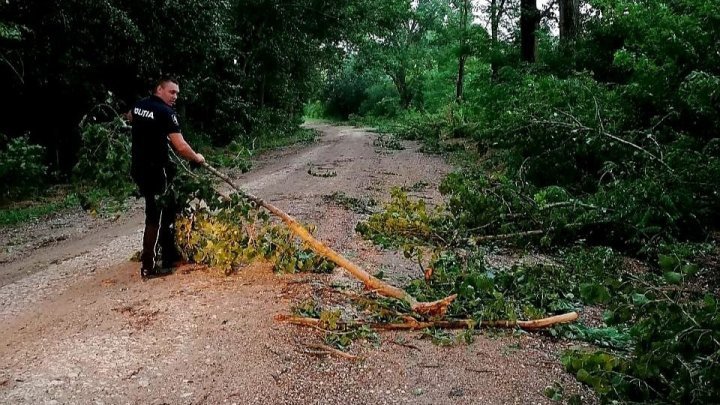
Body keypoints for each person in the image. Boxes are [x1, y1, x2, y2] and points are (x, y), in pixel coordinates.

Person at [130, 77, 205, 278]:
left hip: (138, 168)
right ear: (159, 89)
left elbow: (130, 118)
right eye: (172, 92)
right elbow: (180, 146)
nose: (175, 97)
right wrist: (197, 157)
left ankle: (168, 253)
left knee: (166, 206)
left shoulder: (139, 106)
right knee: (155, 215)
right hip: (155, 170)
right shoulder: (166, 112)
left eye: (177, 93)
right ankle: (149, 266)